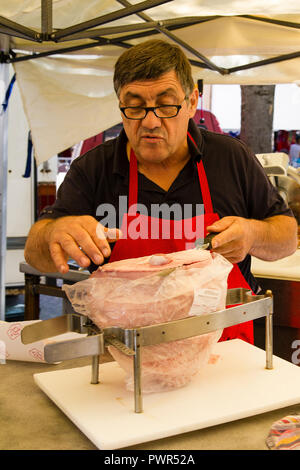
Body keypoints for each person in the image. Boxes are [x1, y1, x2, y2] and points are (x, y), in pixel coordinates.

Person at [24, 39, 297, 344]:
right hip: (125, 354)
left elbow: (286, 236)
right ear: (119, 105)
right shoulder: (94, 169)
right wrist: (55, 233)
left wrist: (253, 234)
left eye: (166, 106)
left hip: (224, 351)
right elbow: (34, 253)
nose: (150, 122)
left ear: (192, 101)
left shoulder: (230, 157)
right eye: (135, 106)